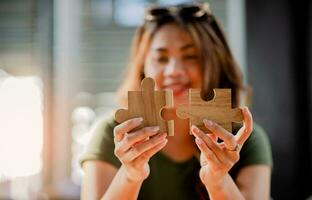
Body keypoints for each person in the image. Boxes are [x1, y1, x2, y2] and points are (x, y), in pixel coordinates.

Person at [80, 2, 272, 200]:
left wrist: (218, 181)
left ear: (215, 63)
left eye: (191, 57)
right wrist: (130, 176)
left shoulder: (243, 140)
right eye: (161, 59)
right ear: (143, 66)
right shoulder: (114, 134)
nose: (174, 71)